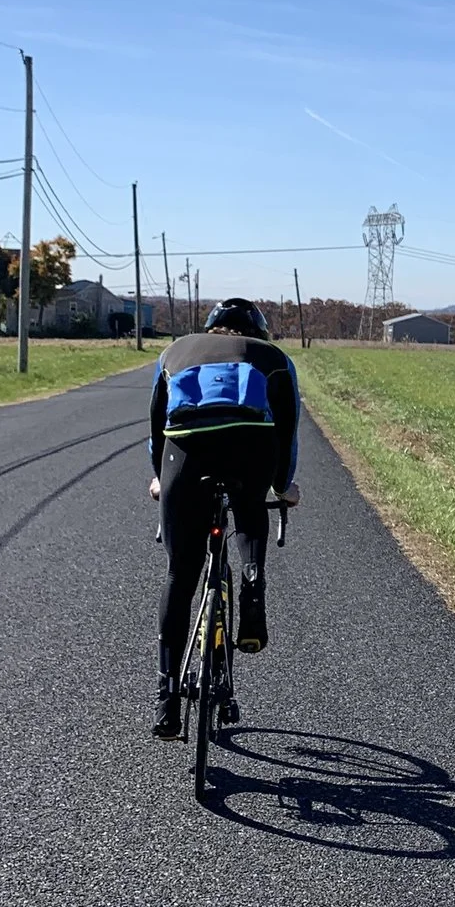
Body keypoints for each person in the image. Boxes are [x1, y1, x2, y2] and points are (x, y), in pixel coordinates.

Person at [148, 296, 301, 738]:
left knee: (180, 575)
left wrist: (160, 478)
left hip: (186, 452)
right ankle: (252, 587)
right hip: (252, 448)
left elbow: (157, 423)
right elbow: (287, 429)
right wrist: (282, 487)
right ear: (258, 331)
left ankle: (167, 699)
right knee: (249, 511)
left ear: (211, 327)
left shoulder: (175, 350)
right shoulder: (273, 357)